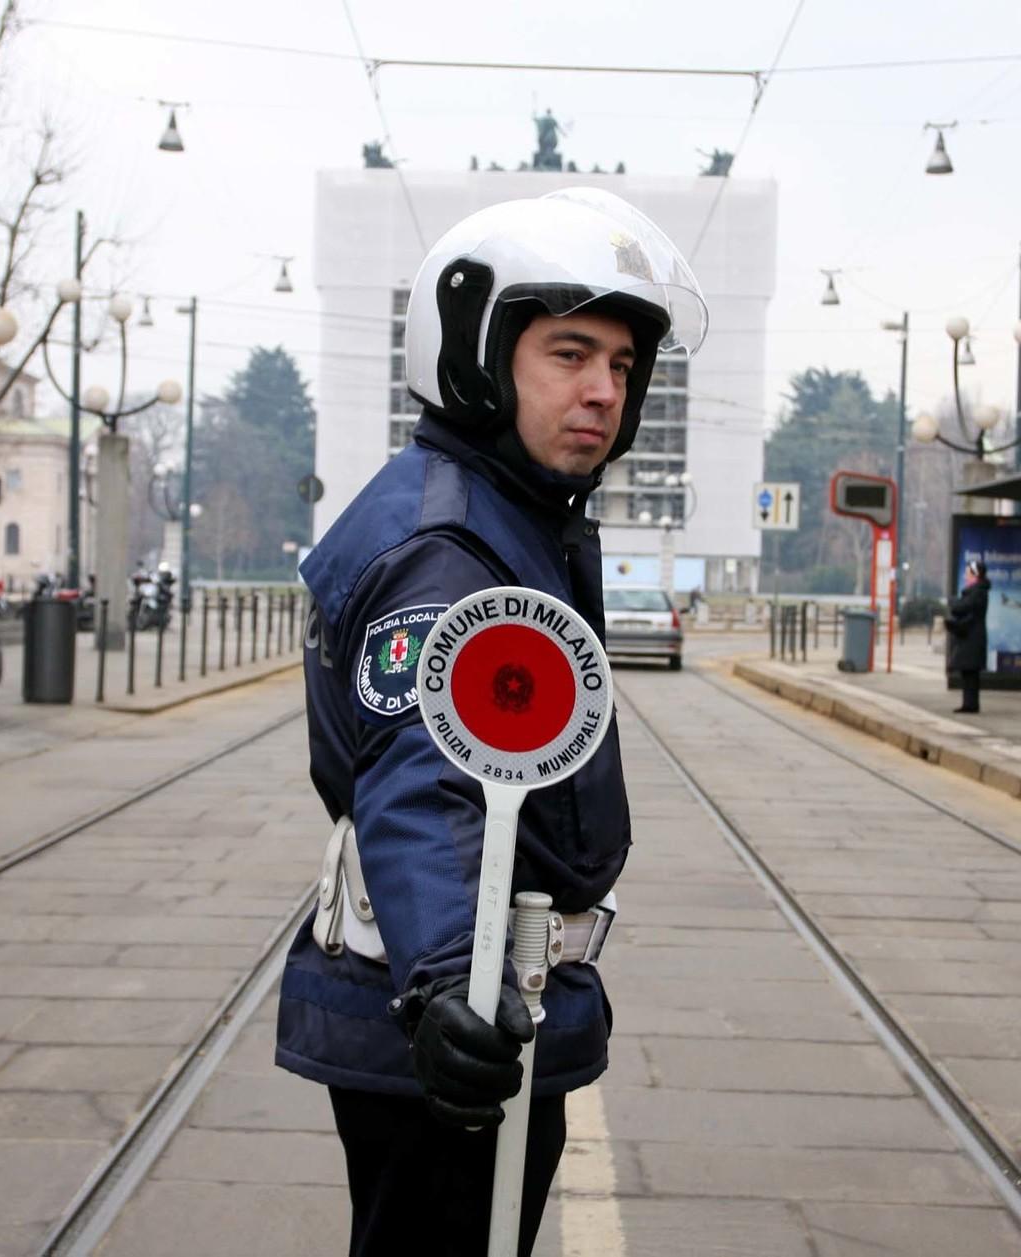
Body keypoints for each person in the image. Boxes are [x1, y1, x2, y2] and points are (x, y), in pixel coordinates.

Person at [275, 187, 708, 1256]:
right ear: (475, 353)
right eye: (569, 354)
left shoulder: (504, 515)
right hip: (455, 1016)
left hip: (469, 1000)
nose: (603, 391)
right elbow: (427, 783)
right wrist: (441, 991)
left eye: (621, 364)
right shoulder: (448, 550)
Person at [945, 560, 990, 714]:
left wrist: (953, 602)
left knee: (971, 673)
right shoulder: (976, 591)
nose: (965, 577)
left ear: (975, 575)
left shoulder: (977, 592)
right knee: (968, 672)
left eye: (968, 574)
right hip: (970, 637)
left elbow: (961, 608)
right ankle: (969, 703)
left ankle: (970, 704)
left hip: (973, 638)